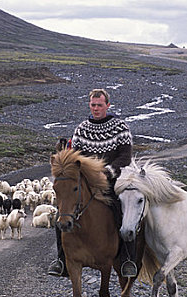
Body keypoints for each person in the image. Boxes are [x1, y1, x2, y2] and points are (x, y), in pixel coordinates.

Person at [48, 88, 137, 278]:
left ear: (107, 105)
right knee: (61, 213)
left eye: (100, 105)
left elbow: (125, 156)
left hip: (111, 179)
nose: (96, 108)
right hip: (86, 182)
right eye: (93, 105)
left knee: (123, 210)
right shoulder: (82, 129)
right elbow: (75, 156)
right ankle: (62, 260)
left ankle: (127, 258)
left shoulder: (120, 127)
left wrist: (108, 172)